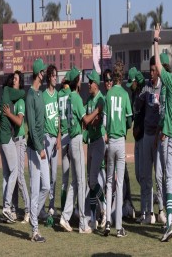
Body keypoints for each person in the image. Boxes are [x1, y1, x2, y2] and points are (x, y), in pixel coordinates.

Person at [60, 66, 100, 233]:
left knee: (75, 183)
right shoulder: (75, 97)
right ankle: (83, 224)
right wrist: (98, 110)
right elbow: (86, 120)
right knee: (81, 182)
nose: (83, 81)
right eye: (80, 79)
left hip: (72, 139)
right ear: (77, 81)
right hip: (75, 141)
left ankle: (64, 217)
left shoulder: (70, 97)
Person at [154, 24, 172, 242]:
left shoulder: (171, 81)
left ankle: (170, 221)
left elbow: (156, 64)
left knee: (168, 180)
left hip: (171, 136)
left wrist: (156, 41)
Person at [103, 61, 132, 238]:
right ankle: (119, 226)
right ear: (123, 76)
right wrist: (124, 126)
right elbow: (129, 120)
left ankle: (107, 221)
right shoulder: (125, 94)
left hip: (110, 141)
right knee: (119, 183)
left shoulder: (108, 95)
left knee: (108, 183)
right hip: (120, 141)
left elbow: (105, 122)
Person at [25, 58, 50, 242]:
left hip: (41, 146)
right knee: (35, 190)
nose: (45, 74)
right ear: (37, 73)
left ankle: (33, 215)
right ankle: (34, 230)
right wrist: (40, 148)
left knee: (47, 186)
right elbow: (32, 127)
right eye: (43, 71)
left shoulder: (40, 94)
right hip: (34, 148)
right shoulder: (30, 95)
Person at [136, 56, 162, 225]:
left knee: (159, 176)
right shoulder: (146, 87)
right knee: (145, 176)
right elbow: (137, 105)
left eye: (154, 70)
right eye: (150, 70)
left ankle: (162, 211)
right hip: (147, 136)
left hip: (159, 137)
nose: (151, 73)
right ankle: (147, 213)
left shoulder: (163, 87)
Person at [0, 73, 26, 223]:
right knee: (15, 170)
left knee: (6, 175)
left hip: (1, 139)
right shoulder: (9, 91)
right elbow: (23, 92)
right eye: (13, 78)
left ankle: (5, 209)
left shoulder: (5, 94)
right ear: (10, 83)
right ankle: (7, 207)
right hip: (7, 138)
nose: (15, 80)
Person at [3, 71, 30, 224]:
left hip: (19, 141)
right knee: (13, 176)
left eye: (17, 79)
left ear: (20, 83)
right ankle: (13, 210)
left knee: (19, 177)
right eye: (13, 78)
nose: (14, 80)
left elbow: (19, 122)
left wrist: (7, 113)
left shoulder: (20, 100)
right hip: (12, 141)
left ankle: (28, 210)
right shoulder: (13, 100)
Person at [85, 69, 107, 229]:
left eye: (90, 81)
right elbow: (86, 121)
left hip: (99, 142)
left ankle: (104, 207)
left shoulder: (101, 99)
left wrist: (89, 120)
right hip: (90, 143)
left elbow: (95, 122)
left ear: (96, 84)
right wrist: (89, 120)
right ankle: (93, 217)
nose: (88, 84)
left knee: (93, 180)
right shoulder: (89, 100)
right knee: (90, 182)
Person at [126, 68, 146, 223]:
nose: (130, 85)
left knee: (144, 176)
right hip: (137, 138)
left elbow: (148, 114)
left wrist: (141, 127)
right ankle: (147, 208)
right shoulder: (134, 94)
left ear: (136, 80)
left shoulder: (145, 91)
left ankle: (148, 211)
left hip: (145, 137)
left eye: (131, 82)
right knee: (139, 175)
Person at [42, 64, 60, 216]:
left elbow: (60, 117)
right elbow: (41, 119)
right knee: (44, 175)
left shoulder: (58, 95)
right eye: (53, 76)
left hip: (55, 138)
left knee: (54, 175)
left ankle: (52, 206)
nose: (56, 78)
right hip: (46, 137)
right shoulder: (43, 95)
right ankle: (41, 206)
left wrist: (59, 137)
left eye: (56, 75)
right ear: (48, 77)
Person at [58, 71, 71, 211]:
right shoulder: (70, 93)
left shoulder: (58, 95)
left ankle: (63, 209)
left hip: (62, 137)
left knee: (64, 179)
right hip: (71, 135)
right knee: (77, 178)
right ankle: (75, 210)